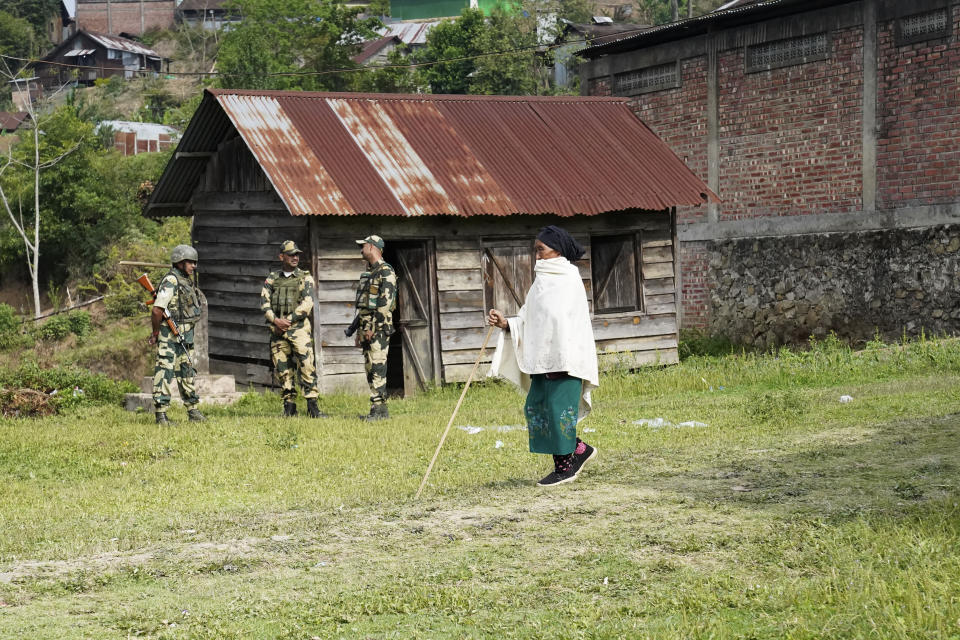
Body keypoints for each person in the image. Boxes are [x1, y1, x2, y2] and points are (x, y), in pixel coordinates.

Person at [487, 225, 599, 487]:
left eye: (541, 250)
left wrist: (559, 350)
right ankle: (580, 450)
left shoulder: (568, 278)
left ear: (557, 250)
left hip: (565, 359)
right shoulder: (541, 281)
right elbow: (530, 317)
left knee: (560, 412)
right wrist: (507, 323)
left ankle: (565, 468)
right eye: (535, 250)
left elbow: (564, 321)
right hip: (542, 359)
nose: (536, 256)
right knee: (537, 409)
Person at [260, 240, 327, 418]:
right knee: (283, 369)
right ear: (281, 256)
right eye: (291, 254)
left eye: (297, 254)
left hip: (298, 330)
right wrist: (275, 321)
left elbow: (307, 303)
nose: (295, 257)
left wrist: (286, 321)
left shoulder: (305, 278)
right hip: (277, 331)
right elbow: (264, 303)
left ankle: (313, 407)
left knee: (307, 366)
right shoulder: (272, 279)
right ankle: (289, 407)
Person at [148, 244, 206, 426]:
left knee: (187, 370)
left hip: (186, 333)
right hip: (169, 334)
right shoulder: (171, 280)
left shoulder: (186, 280)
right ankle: (161, 415)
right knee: (165, 370)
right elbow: (157, 310)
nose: (194, 266)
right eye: (190, 262)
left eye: (195, 263)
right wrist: (156, 332)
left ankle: (192, 410)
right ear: (180, 262)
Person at [354, 234, 397, 421]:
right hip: (366, 328)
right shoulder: (369, 272)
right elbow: (364, 306)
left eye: (363, 246)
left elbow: (384, 304)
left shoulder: (386, 271)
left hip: (378, 329)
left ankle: (380, 411)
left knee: (378, 367)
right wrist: (359, 331)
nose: (361, 250)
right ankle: (376, 408)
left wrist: (372, 327)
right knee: (370, 367)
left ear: (372, 247)